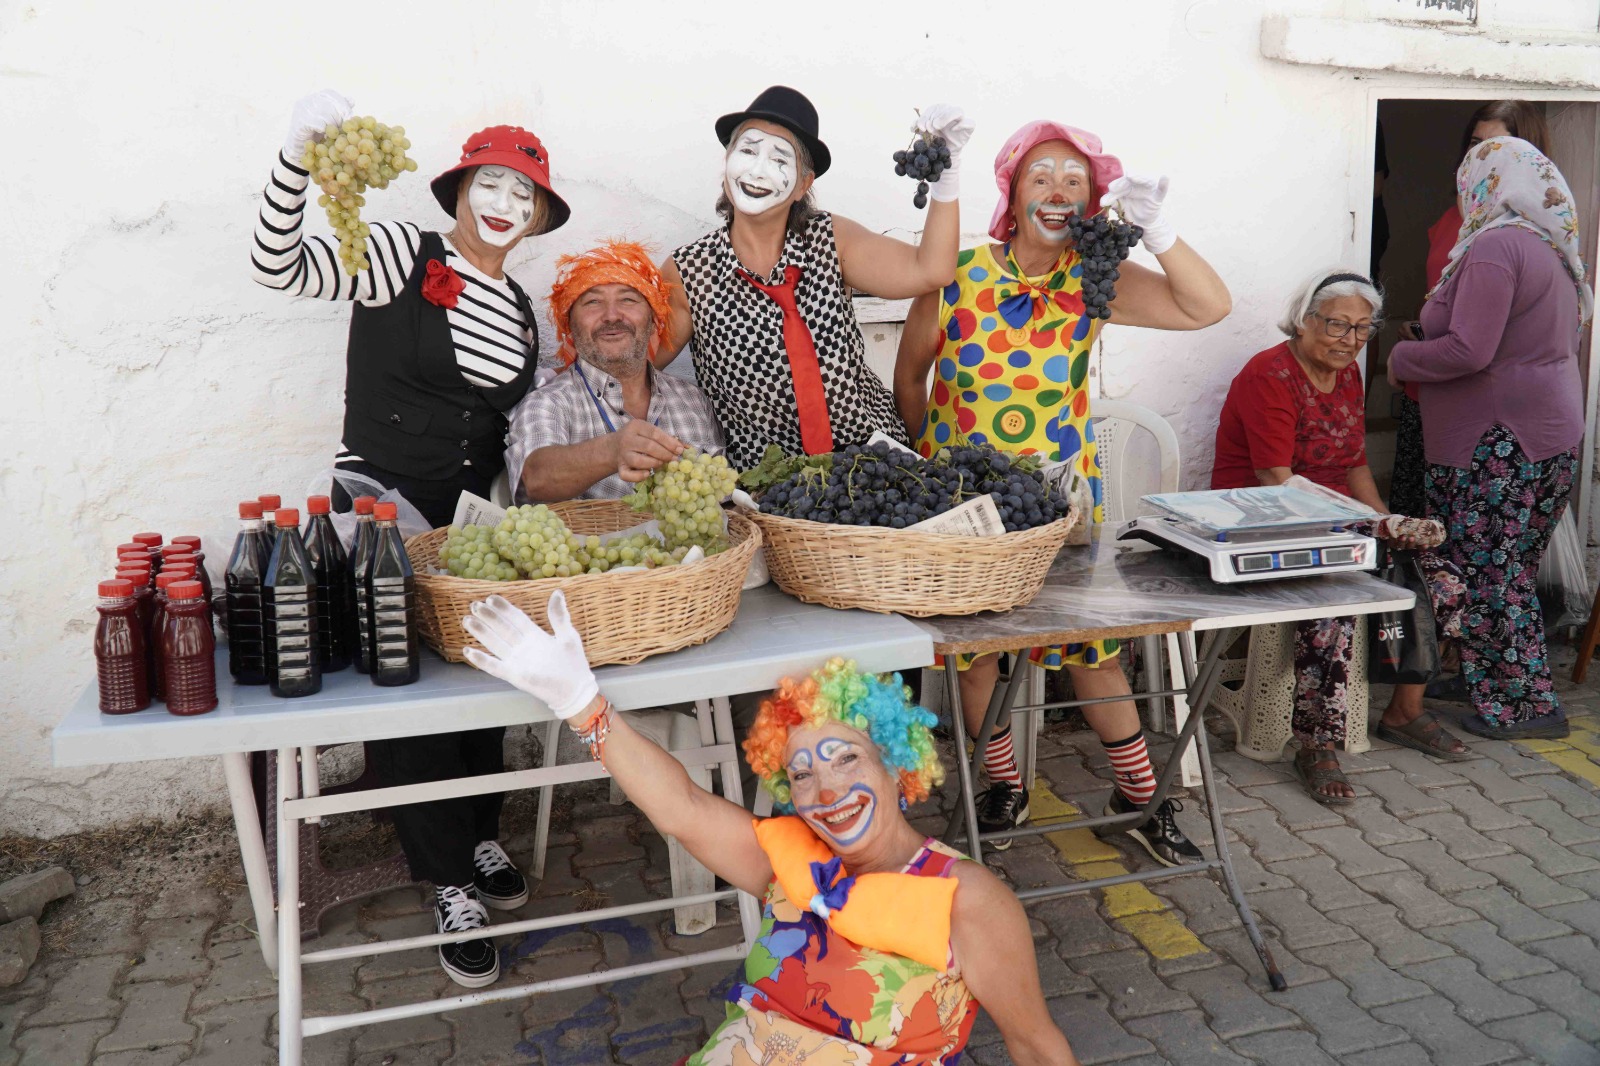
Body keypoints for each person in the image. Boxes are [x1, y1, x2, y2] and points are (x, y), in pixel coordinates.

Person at [461, 592, 1082, 1066]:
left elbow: (1034, 1046)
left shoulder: (969, 901)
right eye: (803, 774)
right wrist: (582, 705)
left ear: (896, 767)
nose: (827, 791)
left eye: (847, 759)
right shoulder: (790, 864)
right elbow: (680, 807)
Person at [251, 90, 570, 987]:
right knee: (408, 692)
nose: (505, 204)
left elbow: (503, 428)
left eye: (524, 193)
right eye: (491, 184)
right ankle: (445, 882)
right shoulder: (399, 253)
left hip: (467, 523)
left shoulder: (521, 309)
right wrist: (295, 157)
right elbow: (281, 266)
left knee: (484, 679)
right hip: (380, 508)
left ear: (539, 213)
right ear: (461, 190)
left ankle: (477, 834)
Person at [892, 120, 1230, 858]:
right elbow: (910, 376)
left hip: (1062, 507)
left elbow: (1209, 307)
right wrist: (931, 464)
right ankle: (1004, 785)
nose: (1057, 190)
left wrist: (1159, 228)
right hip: (966, 508)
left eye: (1075, 180)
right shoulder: (957, 273)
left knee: (1093, 652)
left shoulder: (1094, 279)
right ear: (1011, 193)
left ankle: (1141, 797)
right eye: (1041, 175)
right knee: (978, 657)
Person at [1212, 269, 1471, 802]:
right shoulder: (1271, 375)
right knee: (1334, 607)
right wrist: (1357, 529)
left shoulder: (1348, 373)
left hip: (1334, 517)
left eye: (1361, 329)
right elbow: (1275, 481)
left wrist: (1385, 523)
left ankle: (1405, 711)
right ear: (1305, 321)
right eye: (1336, 326)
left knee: (1442, 579)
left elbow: (1353, 461)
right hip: (1262, 521)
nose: (1349, 340)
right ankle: (1316, 743)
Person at [1389, 137, 1592, 741]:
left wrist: (1400, 356)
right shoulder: (1551, 248)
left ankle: (1524, 708)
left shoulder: (1495, 248)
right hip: (1547, 431)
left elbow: (1469, 351)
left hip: (1495, 438)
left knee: (1489, 573)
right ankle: (1486, 677)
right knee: (1509, 568)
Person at [658, 86, 973, 470]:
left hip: (872, 464)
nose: (758, 169)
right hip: (770, 485)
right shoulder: (690, 271)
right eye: (748, 150)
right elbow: (632, 367)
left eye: (779, 159)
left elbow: (932, 270)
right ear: (727, 162)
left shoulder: (831, 239)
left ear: (804, 184)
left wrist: (948, 174)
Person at [1391, 101, 1550, 519]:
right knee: (1413, 523)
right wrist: (1420, 327)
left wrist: (1402, 356)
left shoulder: (1525, 231)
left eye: (1497, 144)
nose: (1482, 156)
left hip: (1482, 409)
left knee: (1462, 536)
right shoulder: (1453, 217)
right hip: (1426, 383)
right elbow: (1444, 296)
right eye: (1475, 143)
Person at [505, 241, 724, 503]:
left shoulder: (692, 401)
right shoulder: (548, 402)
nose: (611, 315)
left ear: (653, 318)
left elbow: (720, 497)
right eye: (593, 302)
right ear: (570, 325)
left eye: (628, 299)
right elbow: (536, 479)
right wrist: (612, 450)